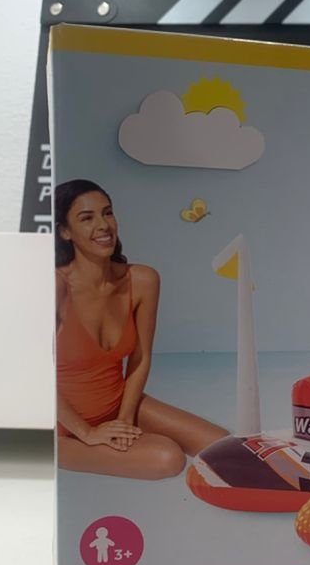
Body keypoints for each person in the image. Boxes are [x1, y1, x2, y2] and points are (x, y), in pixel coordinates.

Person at [55, 179, 228, 479]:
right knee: (168, 457)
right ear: (65, 232)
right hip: (60, 426)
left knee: (228, 448)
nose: (103, 225)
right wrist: (87, 433)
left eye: (107, 213)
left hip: (118, 405)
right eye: (87, 218)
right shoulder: (54, 285)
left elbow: (140, 357)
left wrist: (124, 420)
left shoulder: (142, 280)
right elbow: (31, 375)